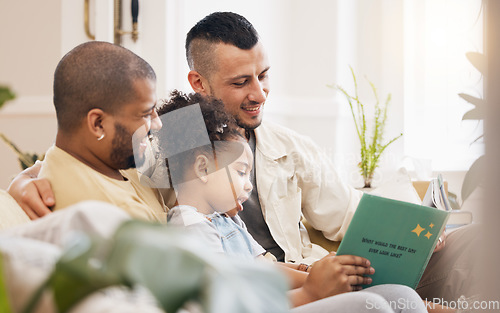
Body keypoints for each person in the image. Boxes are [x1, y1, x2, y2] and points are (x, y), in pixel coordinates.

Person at [7, 12, 479, 302]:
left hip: (309, 268)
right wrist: (27, 178)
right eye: (241, 83)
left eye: (264, 75)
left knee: (474, 242)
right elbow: (93, 161)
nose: (260, 94)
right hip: (264, 289)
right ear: (199, 84)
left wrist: (421, 228)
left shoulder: (287, 144)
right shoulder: (177, 134)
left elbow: (349, 213)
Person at [157, 90, 435, 313]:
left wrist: (318, 272)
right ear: (203, 168)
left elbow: (265, 267)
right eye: (241, 172)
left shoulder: (226, 219)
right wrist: (310, 291)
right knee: (371, 306)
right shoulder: (189, 227)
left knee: (400, 295)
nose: (248, 184)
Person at [33, 41, 167, 221]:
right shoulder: (121, 215)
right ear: (98, 124)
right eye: (145, 114)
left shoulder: (109, 156)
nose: (157, 123)